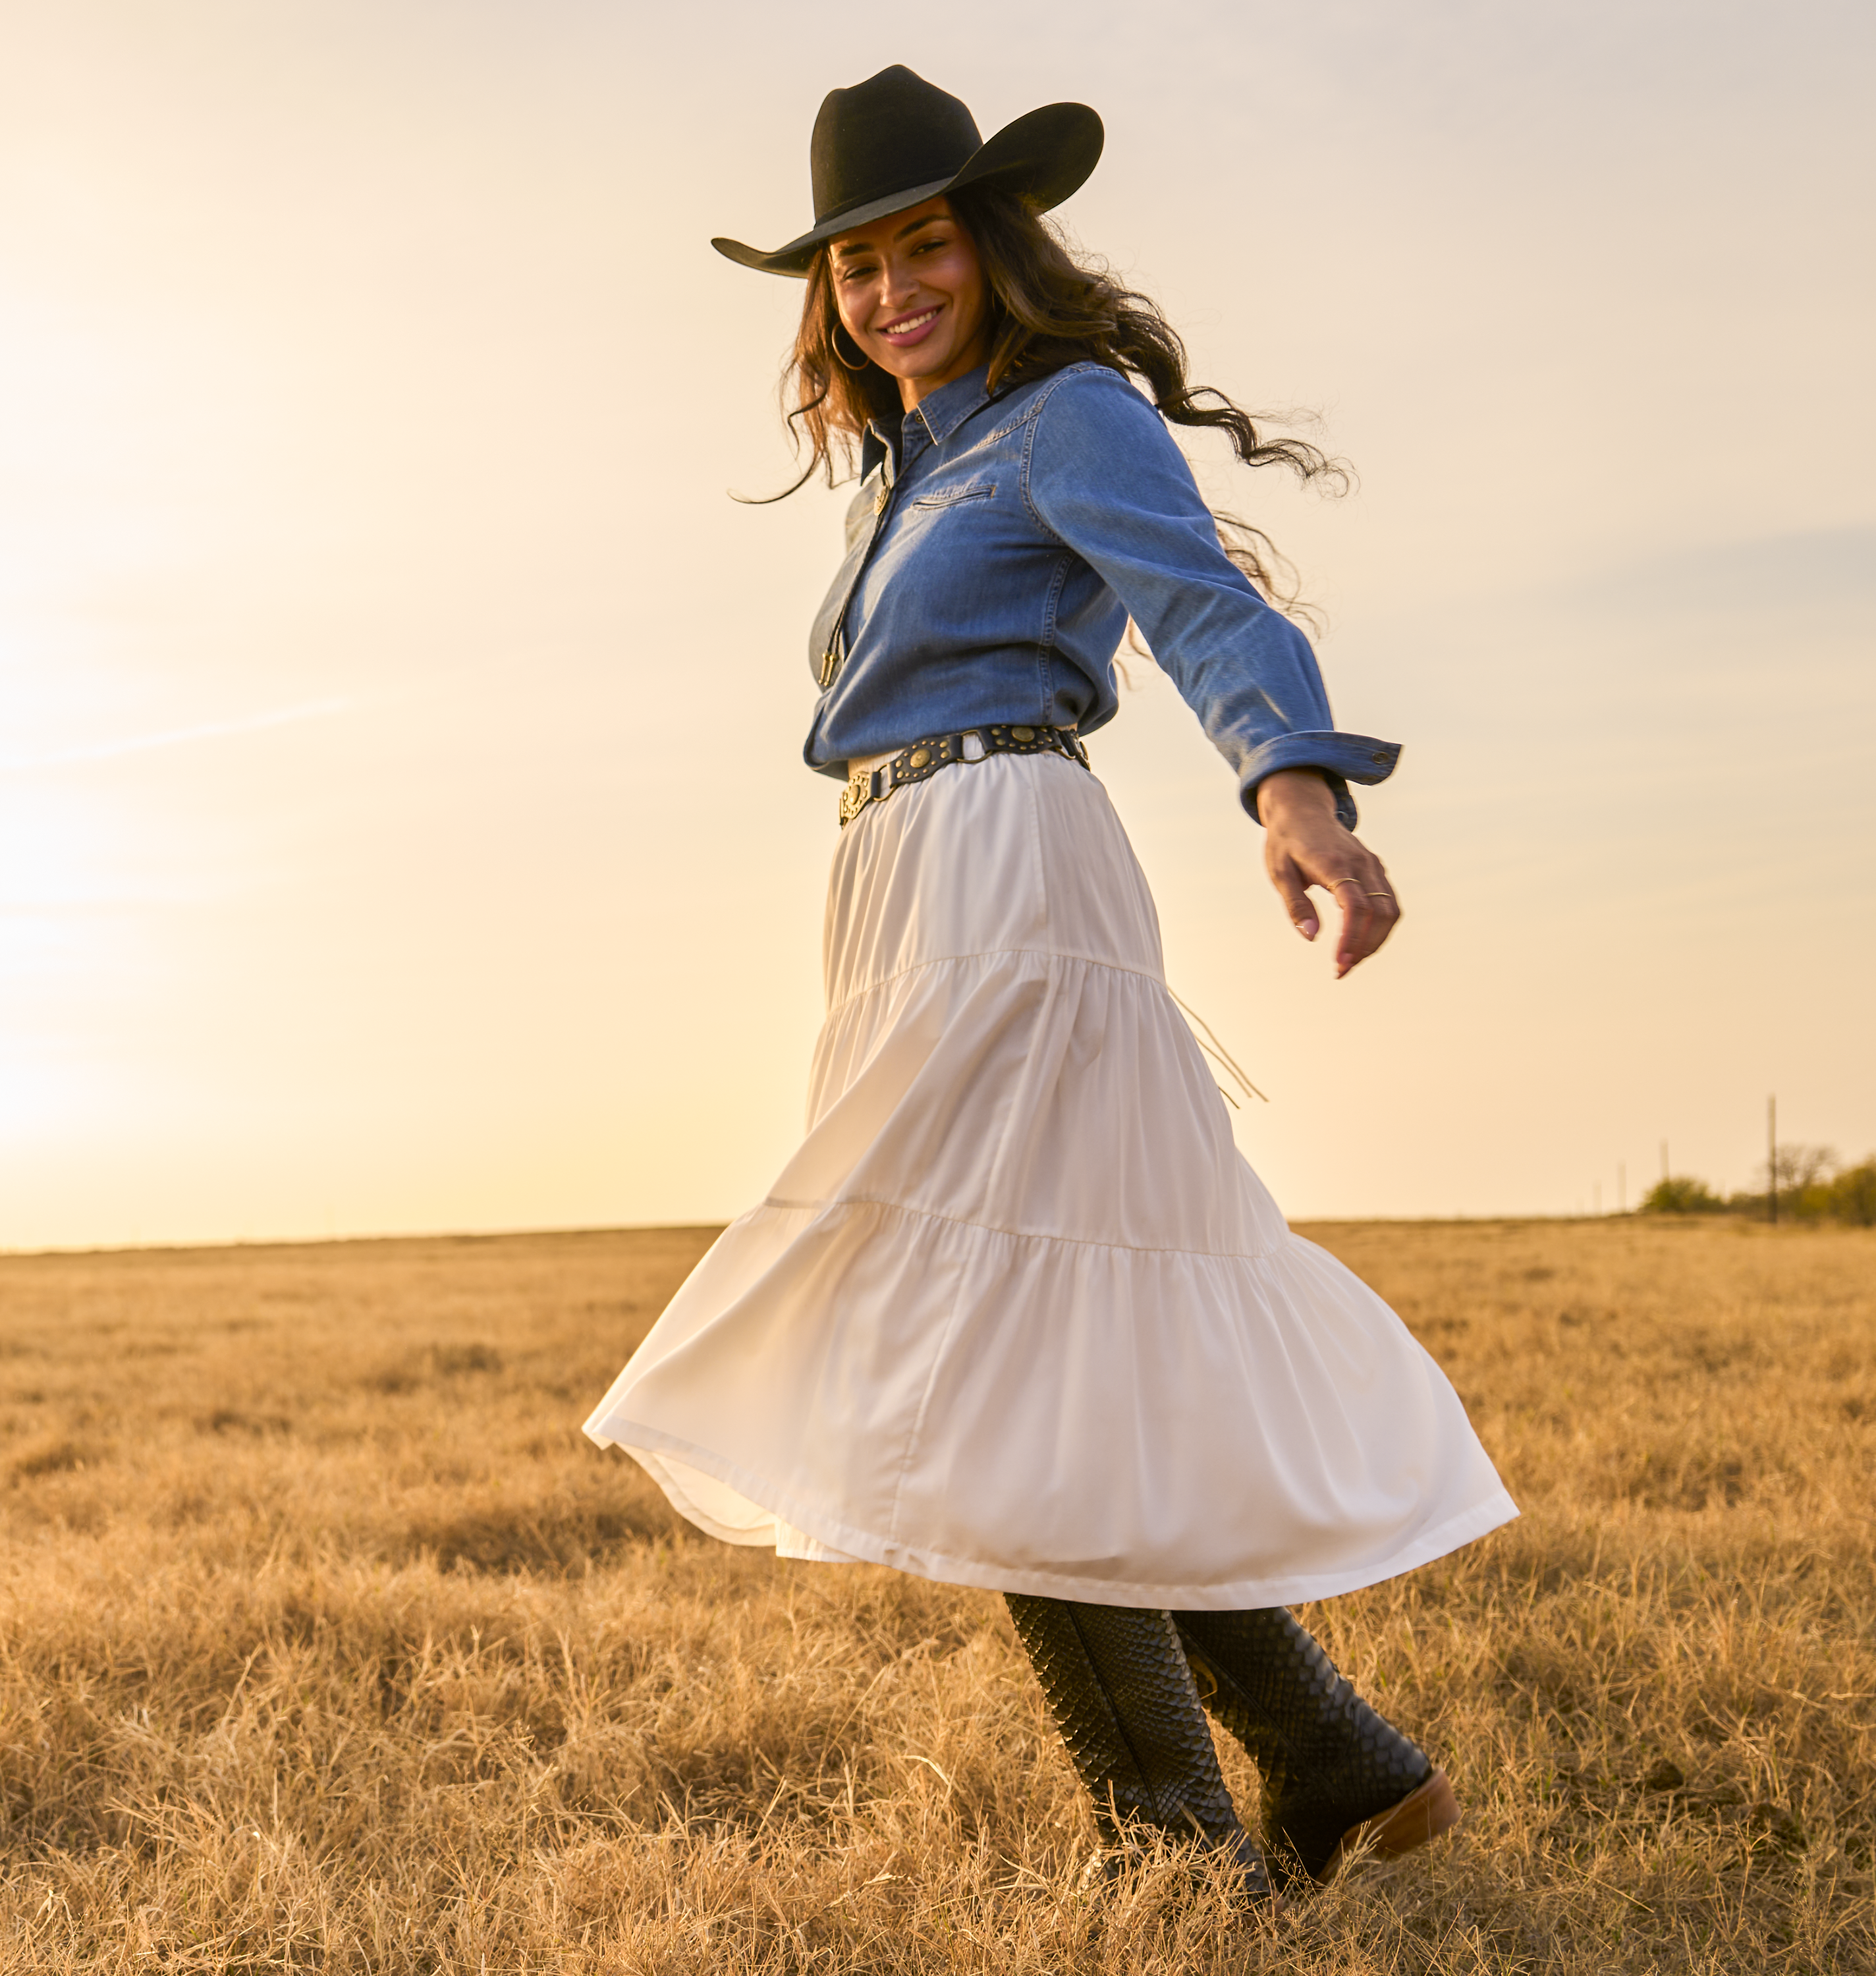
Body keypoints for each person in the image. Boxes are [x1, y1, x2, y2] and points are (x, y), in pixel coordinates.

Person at [585, 65, 1516, 1908]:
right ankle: (1338, 1764)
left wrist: (1295, 790)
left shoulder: (1066, 412)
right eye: (854, 264)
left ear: (995, 247)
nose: (886, 288)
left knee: (1003, 1359)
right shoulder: (907, 460)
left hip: (1006, 864)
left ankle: (1167, 1840)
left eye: (922, 245)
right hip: (901, 886)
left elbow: (1202, 603)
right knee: (1040, 1360)